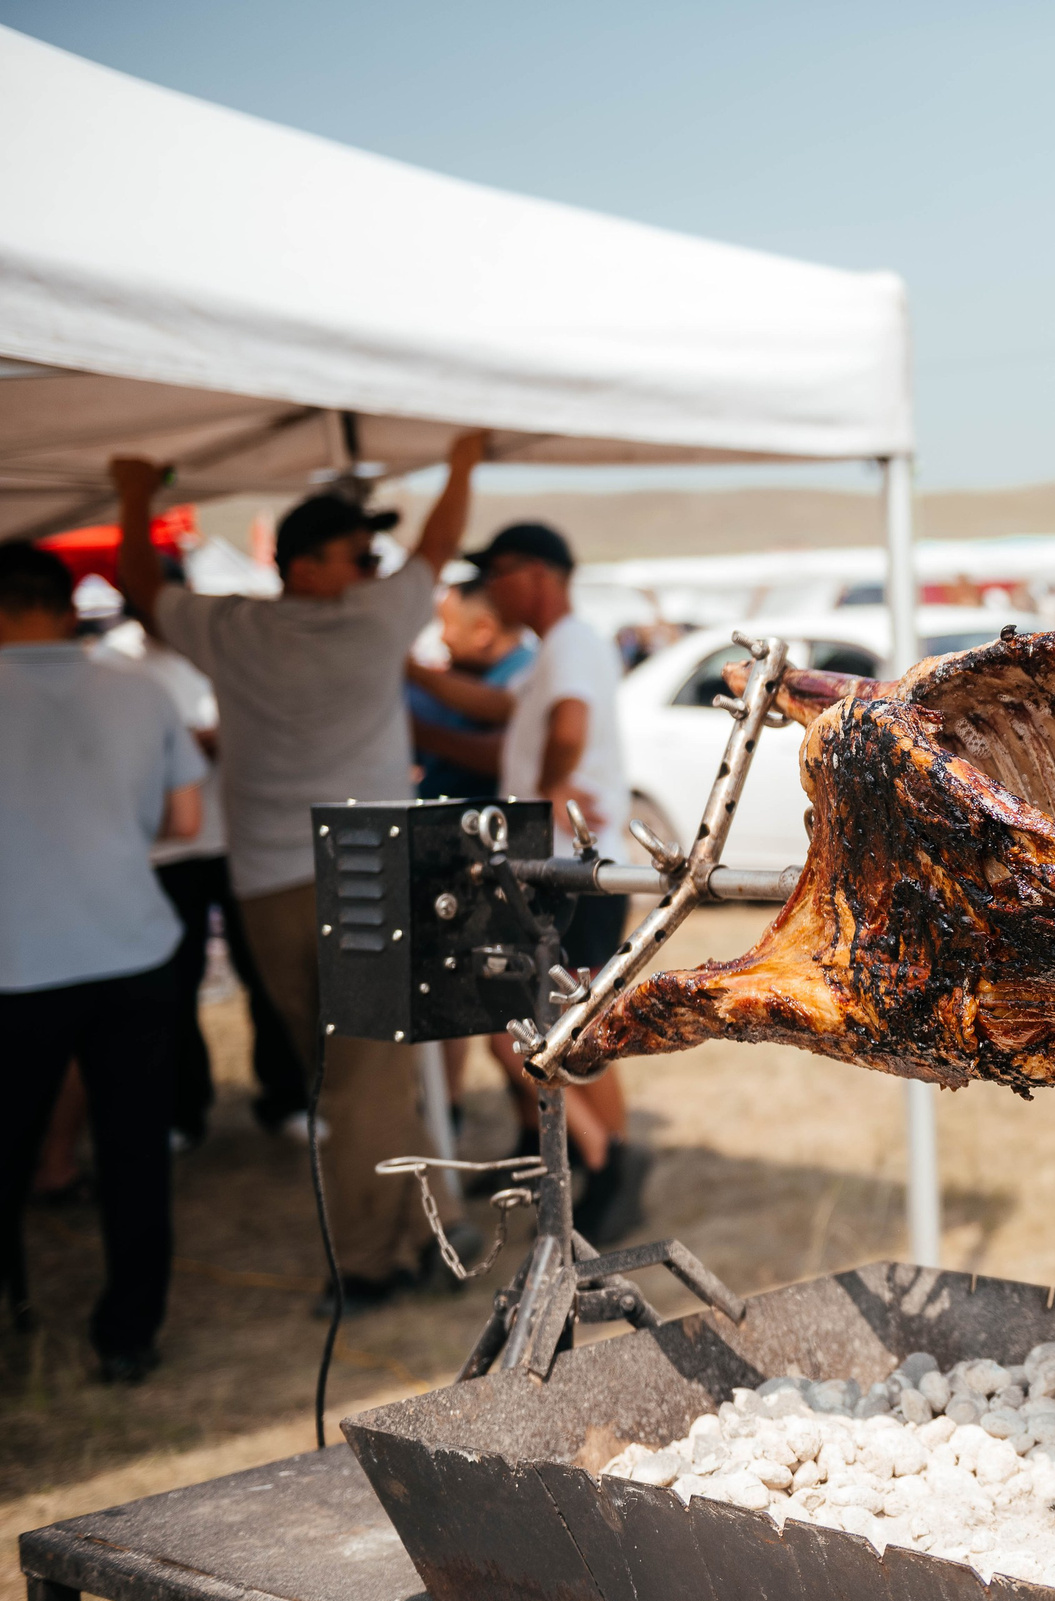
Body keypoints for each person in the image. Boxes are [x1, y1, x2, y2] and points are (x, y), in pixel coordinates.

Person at [113, 433, 488, 1309]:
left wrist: (134, 495)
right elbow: (437, 546)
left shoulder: (232, 629)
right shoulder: (374, 619)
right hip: (367, 869)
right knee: (368, 1073)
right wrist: (463, 466)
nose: (371, 564)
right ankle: (372, 1258)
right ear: (305, 565)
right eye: (357, 553)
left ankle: (402, 1235)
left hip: (269, 881)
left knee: (340, 1072)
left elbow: (140, 589)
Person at [1, 541, 205, 1381]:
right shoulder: (139, 688)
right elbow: (187, 821)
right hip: (134, 945)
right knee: (133, 1153)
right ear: (65, 602)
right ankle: (128, 1337)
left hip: (17, 963)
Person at [471, 521, 653, 1243]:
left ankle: (609, 1158)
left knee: (526, 1030)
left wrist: (548, 788)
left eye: (497, 571)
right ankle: (609, 1157)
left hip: (565, 874)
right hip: (571, 870)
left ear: (539, 574)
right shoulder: (561, 648)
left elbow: (569, 725)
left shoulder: (571, 642)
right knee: (568, 1026)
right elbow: (517, 718)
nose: (488, 586)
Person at [98, 590, 307, 1148]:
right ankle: (182, 1109)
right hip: (168, 853)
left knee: (267, 977)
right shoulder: (115, 663)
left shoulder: (225, 649)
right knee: (175, 981)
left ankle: (286, 1097)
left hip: (238, 841)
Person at [406, 580, 537, 798]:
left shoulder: (525, 671)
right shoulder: (485, 672)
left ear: (483, 630)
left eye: (446, 624)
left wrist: (422, 734)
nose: (442, 637)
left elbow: (509, 750)